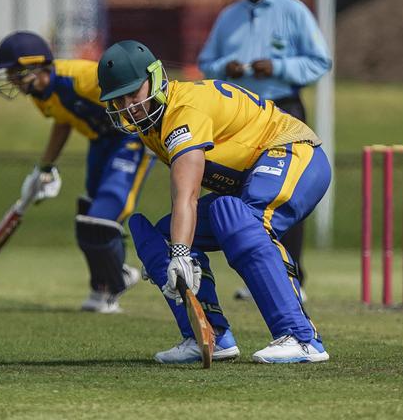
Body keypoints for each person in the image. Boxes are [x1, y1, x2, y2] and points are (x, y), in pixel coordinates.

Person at [97, 39, 331, 363]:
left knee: (236, 218)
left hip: (296, 152)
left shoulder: (182, 110)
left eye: (132, 94)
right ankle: (209, 335)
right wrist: (175, 251)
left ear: (155, 78)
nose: (129, 106)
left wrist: (182, 254)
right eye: (118, 99)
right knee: (163, 237)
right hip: (252, 177)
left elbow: (188, 194)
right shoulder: (150, 123)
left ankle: (302, 338)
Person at [198, 0, 332, 302]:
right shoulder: (229, 16)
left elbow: (319, 62)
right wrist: (223, 67)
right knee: (239, 192)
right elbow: (206, 62)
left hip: (284, 109)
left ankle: (293, 278)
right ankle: (257, 273)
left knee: (284, 192)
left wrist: (278, 67)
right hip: (239, 114)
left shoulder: (294, 11)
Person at [0, 31, 155, 313]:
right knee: (87, 216)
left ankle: (118, 279)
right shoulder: (41, 94)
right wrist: (46, 166)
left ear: (37, 65)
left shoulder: (82, 78)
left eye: (16, 72)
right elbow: (63, 122)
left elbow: (136, 96)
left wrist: (156, 137)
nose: (12, 79)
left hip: (129, 139)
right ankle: (104, 287)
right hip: (100, 142)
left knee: (103, 216)